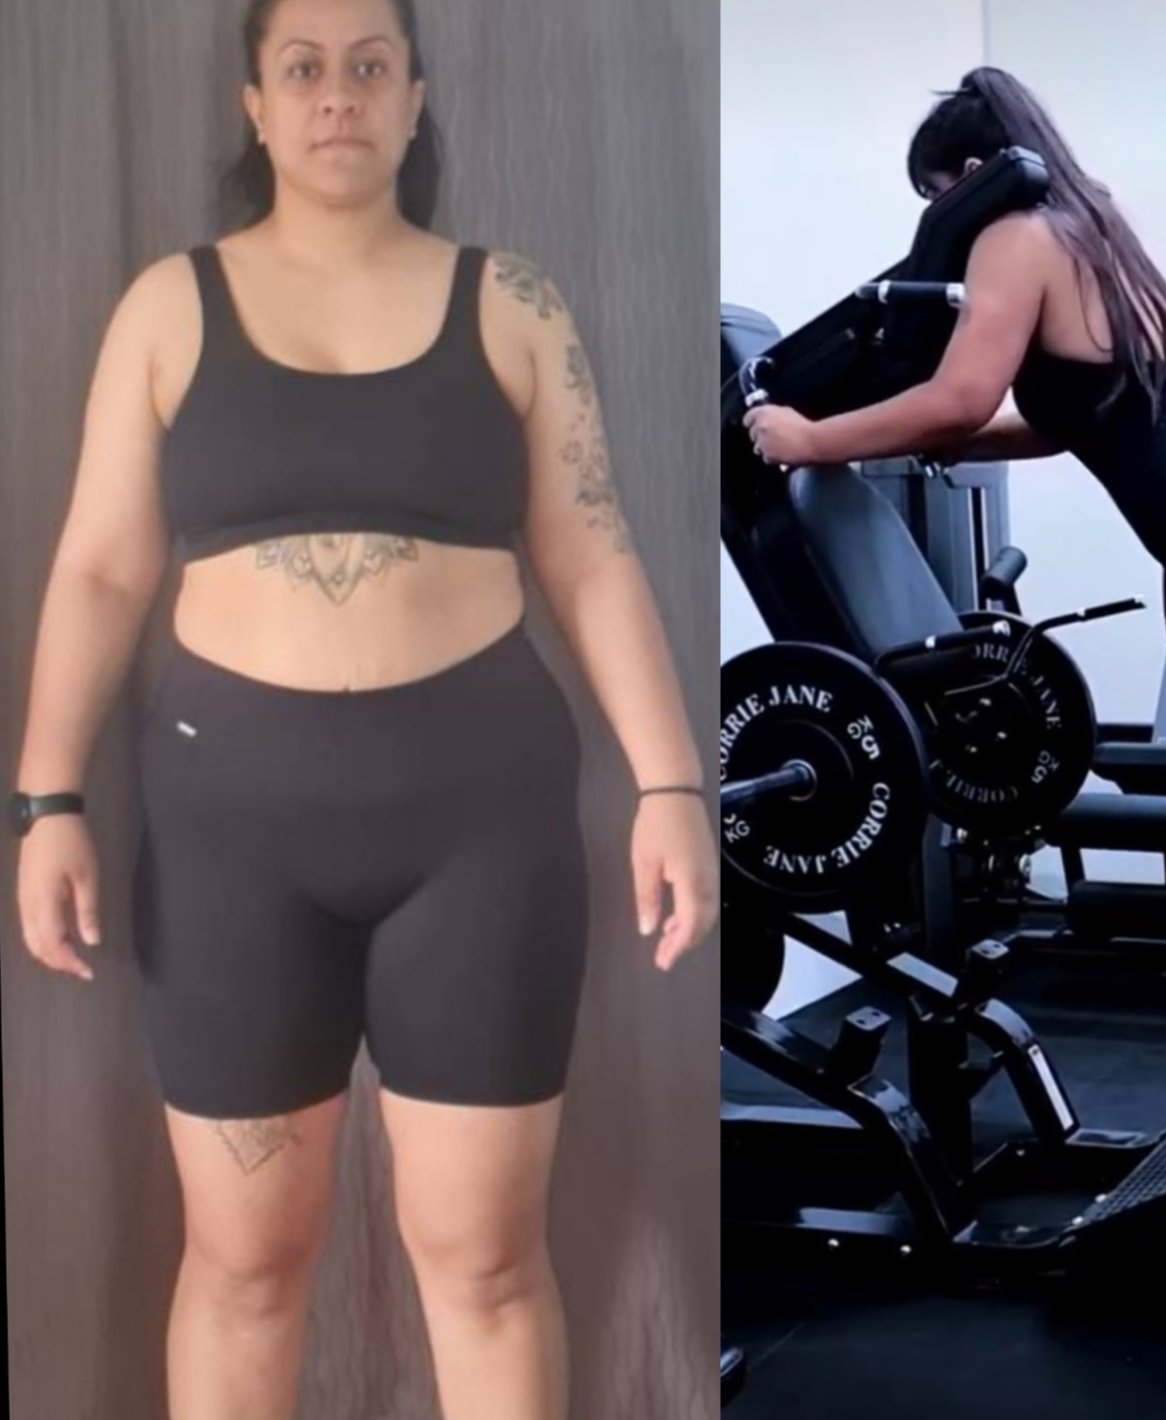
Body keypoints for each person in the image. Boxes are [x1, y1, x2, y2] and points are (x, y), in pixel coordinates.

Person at [10, 1, 716, 1417]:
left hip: (480, 824)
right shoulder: (168, 306)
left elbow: (592, 549)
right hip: (229, 839)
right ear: (256, 105)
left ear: (415, 98)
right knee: (244, 1262)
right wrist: (47, 802)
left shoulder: (510, 302)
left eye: (371, 66)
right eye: (306, 68)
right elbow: (97, 569)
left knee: (485, 1261)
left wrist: (672, 785)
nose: (340, 95)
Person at [744, 65, 1166, 1126]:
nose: (938, 219)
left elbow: (959, 392)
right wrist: (936, 440)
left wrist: (808, 438)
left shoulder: (1010, 236)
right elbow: (1068, 417)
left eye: (936, 195)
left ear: (966, 174)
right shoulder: (1092, 232)